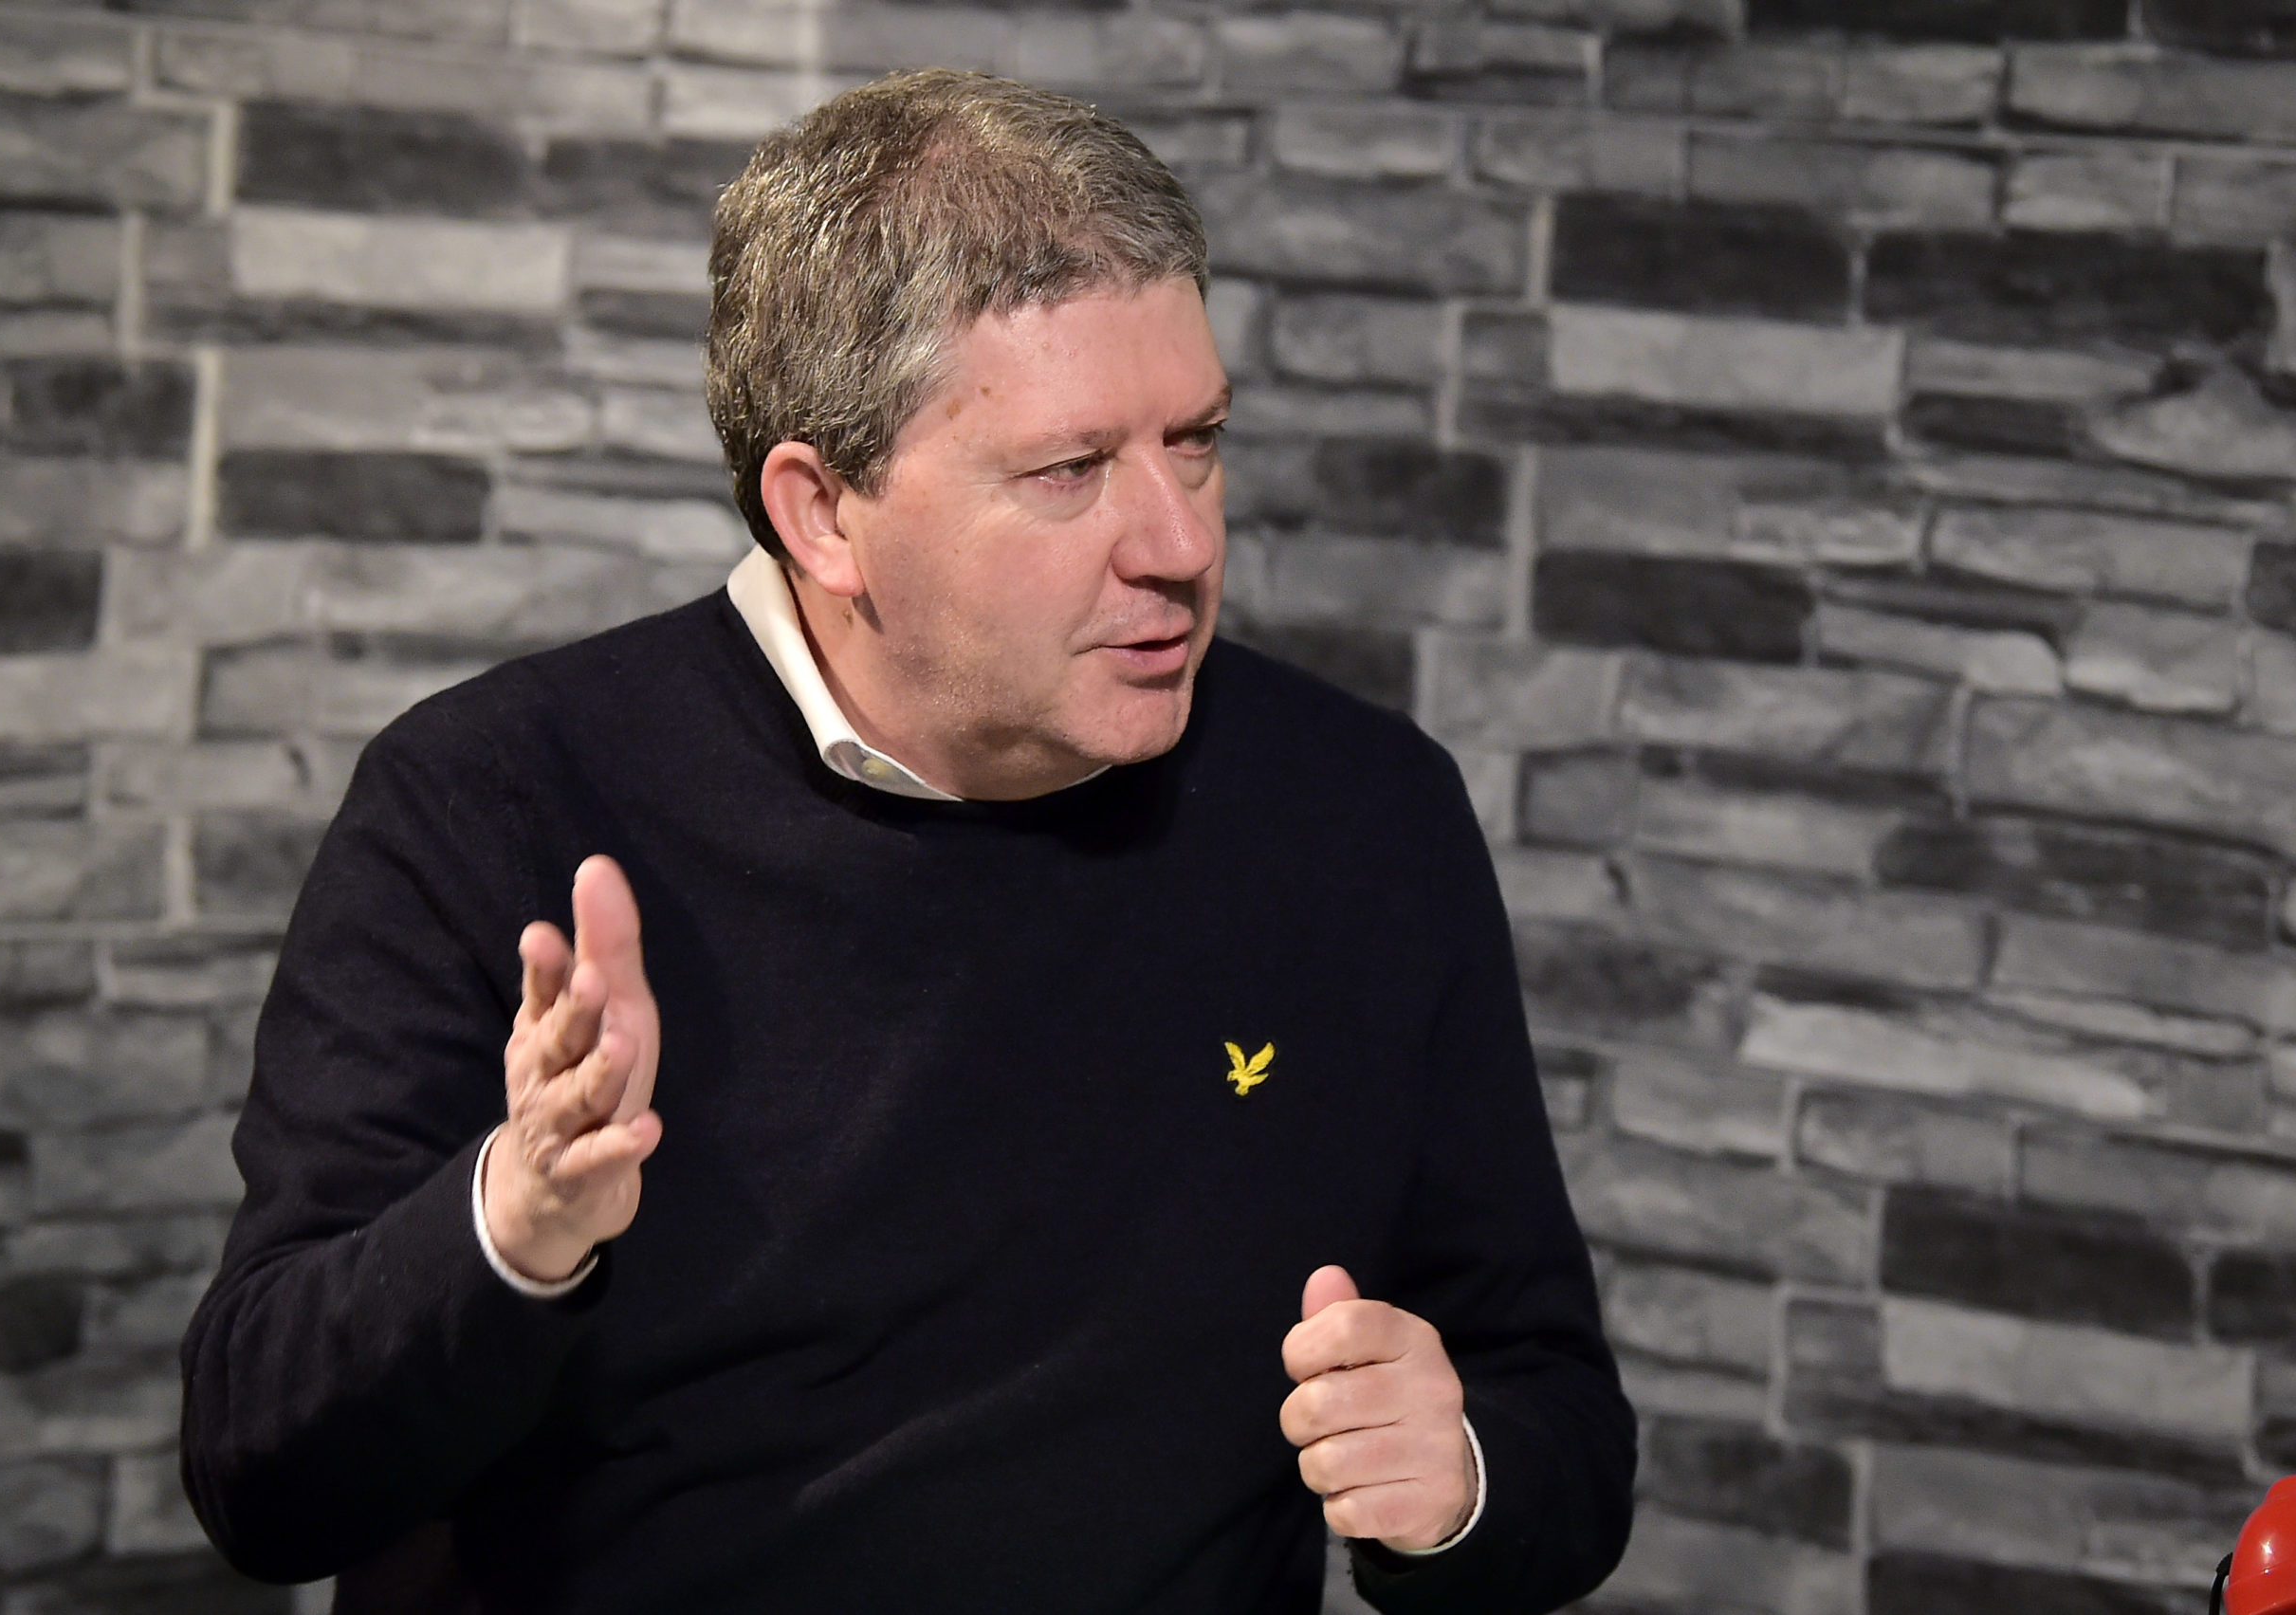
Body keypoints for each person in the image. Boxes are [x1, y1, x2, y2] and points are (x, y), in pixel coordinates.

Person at [179, 68, 1636, 1615]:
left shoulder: (1359, 816)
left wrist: (1457, 1481)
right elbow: (263, 1478)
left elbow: (1559, 1432)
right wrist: (514, 1234)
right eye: (1071, 471)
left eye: (1197, 441)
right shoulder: (489, 804)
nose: (1182, 542)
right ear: (822, 513)